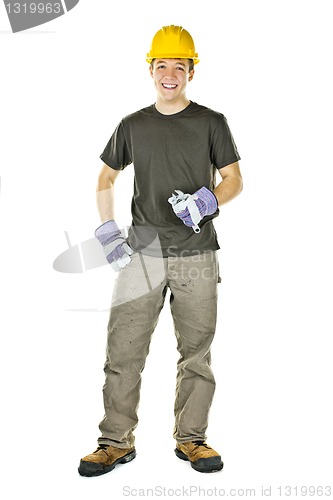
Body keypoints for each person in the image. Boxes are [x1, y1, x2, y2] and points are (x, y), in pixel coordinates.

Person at [78, 24, 242, 477]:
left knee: (196, 354)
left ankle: (191, 440)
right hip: (142, 257)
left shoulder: (212, 122)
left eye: (179, 66)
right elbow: (105, 179)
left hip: (198, 256)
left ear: (192, 71)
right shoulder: (132, 125)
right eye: (162, 65)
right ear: (150, 69)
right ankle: (114, 442)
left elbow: (234, 179)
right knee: (123, 352)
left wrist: (206, 200)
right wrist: (109, 233)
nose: (170, 73)